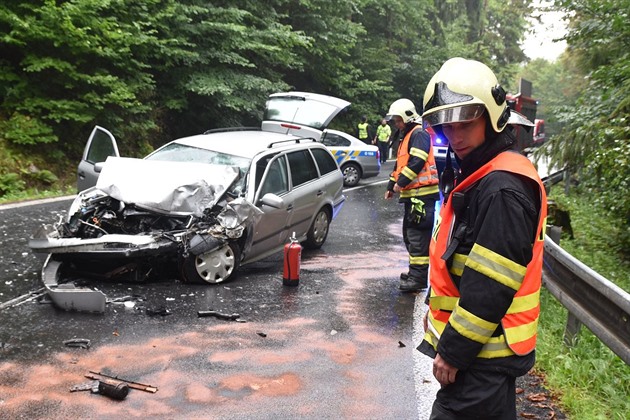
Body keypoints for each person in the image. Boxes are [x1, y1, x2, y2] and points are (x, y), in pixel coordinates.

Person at [417, 57, 547, 420]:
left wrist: (453, 352)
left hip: (480, 361)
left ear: (491, 117)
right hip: (482, 359)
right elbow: (457, 256)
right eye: (444, 126)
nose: (454, 137)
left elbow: (492, 283)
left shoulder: (501, 187)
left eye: (465, 124)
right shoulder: (482, 173)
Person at [384, 99, 440, 292]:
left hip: (422, 196)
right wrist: (391, 185)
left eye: (398, 120)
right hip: (415, 196)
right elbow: (399, 166)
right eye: (395, 121)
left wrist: (400, 183)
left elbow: (417, 161)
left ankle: (418, 279)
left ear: (408, 117)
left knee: (417, 237)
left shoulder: (418, 134)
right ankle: (414, 273)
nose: (396, 124)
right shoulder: (406, 136)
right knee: (410, 236)